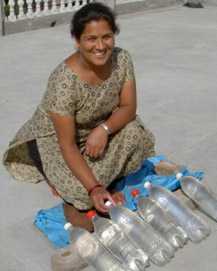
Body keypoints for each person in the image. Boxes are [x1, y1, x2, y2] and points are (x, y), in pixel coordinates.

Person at [2, 2, 155, 231]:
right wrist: (94, 188)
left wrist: (103, 130)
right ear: (77, 40)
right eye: (91, 39)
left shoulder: (122, 60)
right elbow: (67, 145)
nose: (101, 46)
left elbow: (128, 108)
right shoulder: (63, 80)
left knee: (137, 136)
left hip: (95, 130)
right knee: (81, 192)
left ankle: (94, 179)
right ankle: (51, 168)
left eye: (107, 37)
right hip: (58, 139)